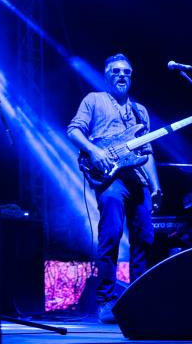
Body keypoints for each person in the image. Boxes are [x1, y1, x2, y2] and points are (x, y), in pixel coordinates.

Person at [67, 53, 161, 324]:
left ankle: (138, 300)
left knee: (145, 237)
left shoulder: (140, 111)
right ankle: (106, 300)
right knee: (111, 233)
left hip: (139, 178)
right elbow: (73, 130)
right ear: (106, 75)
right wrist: (94, 151)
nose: (122, 75)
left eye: (126, 72)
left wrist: (156, 186)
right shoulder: (94, 100)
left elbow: (147, 152)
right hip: (111, 178)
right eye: (116, 71)